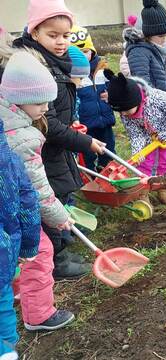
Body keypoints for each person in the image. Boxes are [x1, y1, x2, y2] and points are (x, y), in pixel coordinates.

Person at [12, 0, 105, 279]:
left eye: (65, 35)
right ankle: (56, 261)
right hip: (39, 149)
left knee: (61, 194)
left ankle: (60, 248)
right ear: (35, 31)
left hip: (55, 147)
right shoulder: (34, 65)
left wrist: (70, 125)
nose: (61, 41)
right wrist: (83, 142)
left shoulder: (54, 61)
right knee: (48, 199)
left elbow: (56, 114)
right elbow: (47, 123)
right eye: (53, 35)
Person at [0, 51, 76, 332]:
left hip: (4, 208)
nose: (45, 108)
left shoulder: (6, 119)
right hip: (15, 208)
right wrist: (58, 216)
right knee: (39, 252)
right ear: (20, 99)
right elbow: (36, 189)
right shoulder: (22, 137)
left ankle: (18, 290)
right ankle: (39, 314)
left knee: (14, 252)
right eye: (40, 102)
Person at [104, 69, 166, 205]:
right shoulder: (125, 113)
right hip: (146, 136)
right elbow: (135, 132)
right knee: (144, 163)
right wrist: (138, 150)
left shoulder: (158, 99)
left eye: (126, 110)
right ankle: (143, 192)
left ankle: (162, 190)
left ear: (136, 101)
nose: (123, 114)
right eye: (120, 111)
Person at [0, 119, 40, 360]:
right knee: (3, 301)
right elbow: (28, 203)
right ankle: (8, 347)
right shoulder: (10, 159)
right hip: (4, 254)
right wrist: (29, 246)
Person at [70, 25, 116, 171]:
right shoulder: (73, 76)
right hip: (86, 124)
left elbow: (115, 88)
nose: (82, 55)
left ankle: (107, 172)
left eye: (85, 51)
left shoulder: (103, 70)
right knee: (87, 153)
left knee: (108, 149)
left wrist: (111, 95)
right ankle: (89, 176)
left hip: (105, 120)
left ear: (93, 51)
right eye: (77, 52)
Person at [125, 0, 166, 100]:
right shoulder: (138, 52)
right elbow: (142, 82)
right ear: (148, 34)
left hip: (162, 99)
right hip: (150, 104)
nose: (164, 39)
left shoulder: (159, 48)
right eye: (160, 36)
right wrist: (157, 101)